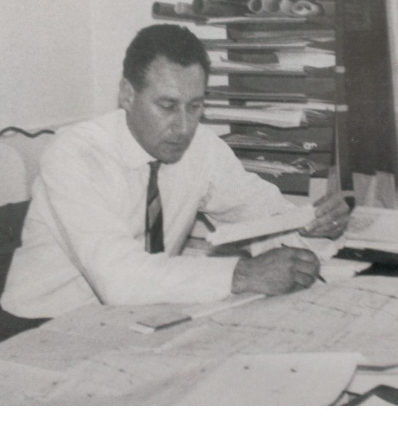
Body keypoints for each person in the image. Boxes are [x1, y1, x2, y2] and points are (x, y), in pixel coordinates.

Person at [1, 24, 350, 319]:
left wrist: (312, 225)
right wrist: (243, 274)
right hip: (45, 325)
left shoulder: (201, 147)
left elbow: (263, 213)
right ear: (127, 95)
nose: (183, 127)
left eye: (194, 107)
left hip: (136, 316)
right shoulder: (74, 155)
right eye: (167, 106)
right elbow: (117, 278)